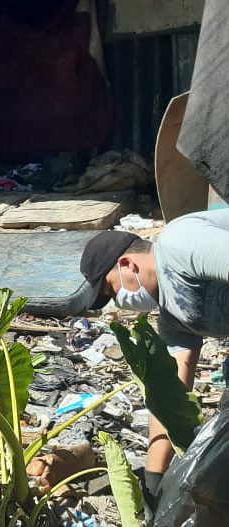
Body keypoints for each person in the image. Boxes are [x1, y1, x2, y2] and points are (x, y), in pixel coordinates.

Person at [79, 209, 229, 511]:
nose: (119, 302)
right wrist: (153, 478)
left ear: (127, 264)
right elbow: (169, 397)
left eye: (111, 290)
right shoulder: (175, 317)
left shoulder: (180, 243)